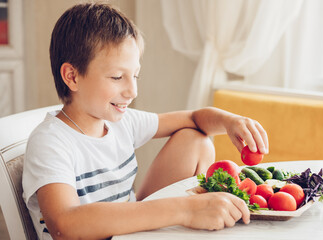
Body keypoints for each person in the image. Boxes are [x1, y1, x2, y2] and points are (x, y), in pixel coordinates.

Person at [22, 3, 269, 240]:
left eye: (135, 76)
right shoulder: (50, 141)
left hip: (129, 234)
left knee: (194, 139)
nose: (132, 91)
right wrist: (186, 210)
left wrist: (230, 121)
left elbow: (194, 119)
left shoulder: (121, 122)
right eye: (117, 77)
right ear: (72, 76)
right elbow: (65, 226)